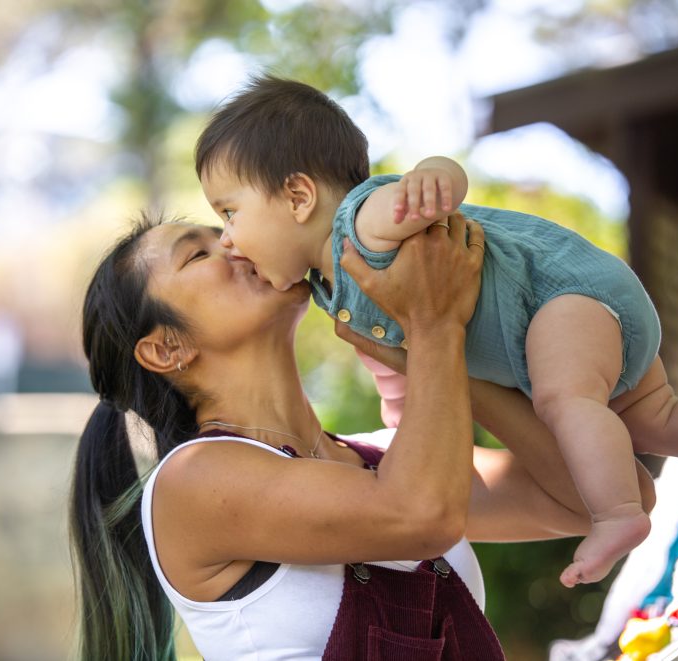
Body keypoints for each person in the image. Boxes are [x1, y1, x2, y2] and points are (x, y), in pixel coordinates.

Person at [194, 75, 678, 588]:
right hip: (572, 322)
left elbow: (425, 190)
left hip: (561, 298)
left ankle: (618, 515)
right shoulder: (335, 292)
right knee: (654, 416)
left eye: (228, 213)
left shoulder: (361, 224)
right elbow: (398, 365)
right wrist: (412, 423)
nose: (226, 239)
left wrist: (436, 177)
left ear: (298, 196)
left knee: (565, 400)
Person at [69, 211, 595, 660]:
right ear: (166, 348)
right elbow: (421, 517)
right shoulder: (192, 482)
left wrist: (420, 350)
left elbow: (588, 498)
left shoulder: (389, 459)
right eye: (198, 255)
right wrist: (436, 323)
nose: (234, 242)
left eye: (225, 230)